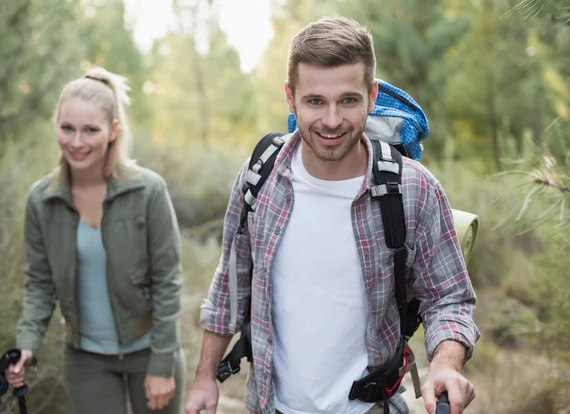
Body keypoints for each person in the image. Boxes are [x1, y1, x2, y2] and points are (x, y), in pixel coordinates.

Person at [185, 16, 480, 414]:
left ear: (372, 95)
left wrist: (445, 364)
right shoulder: (261, 176)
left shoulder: (413, 189)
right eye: (315, 101)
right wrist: (205, 377)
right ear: (290, 98)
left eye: (348, 100)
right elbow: (230, 284)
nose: (331, 120)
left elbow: (449, 298)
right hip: (270, 405)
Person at [5, 67, 186, 414]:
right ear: (56, 126)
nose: (76, 142)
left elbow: (168, 281)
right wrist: (27, 345)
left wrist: (162, 365)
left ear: (113, 131)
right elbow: (40, 283)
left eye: (90, 130)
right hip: (86, 360)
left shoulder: (148, 191)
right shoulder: (42, 200)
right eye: (67, 128)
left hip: (150, 351)